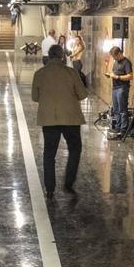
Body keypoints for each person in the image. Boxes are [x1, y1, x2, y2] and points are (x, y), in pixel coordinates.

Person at [31, 44, 87, 197]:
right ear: (62, 56)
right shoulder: (71, 73)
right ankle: (69, 183)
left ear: (49, 56)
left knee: (49, 154)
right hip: (71, 118)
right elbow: (82, 95)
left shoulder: (39, 74)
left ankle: (50, 189)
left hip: (49, 119)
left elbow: (35, 97)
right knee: (75, 149)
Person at [105, 46, 133, 134]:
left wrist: (118, 77)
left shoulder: (126, 62)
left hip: (122, 88)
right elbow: (114, 72)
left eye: (115, 56)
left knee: (122, 109)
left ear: (119, 53)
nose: (114, 58)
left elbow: (130, 76)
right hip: (115, 88)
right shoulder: (115, 62)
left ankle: (123, 129)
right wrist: (110, 74)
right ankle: (117, 127)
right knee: (116, 109)